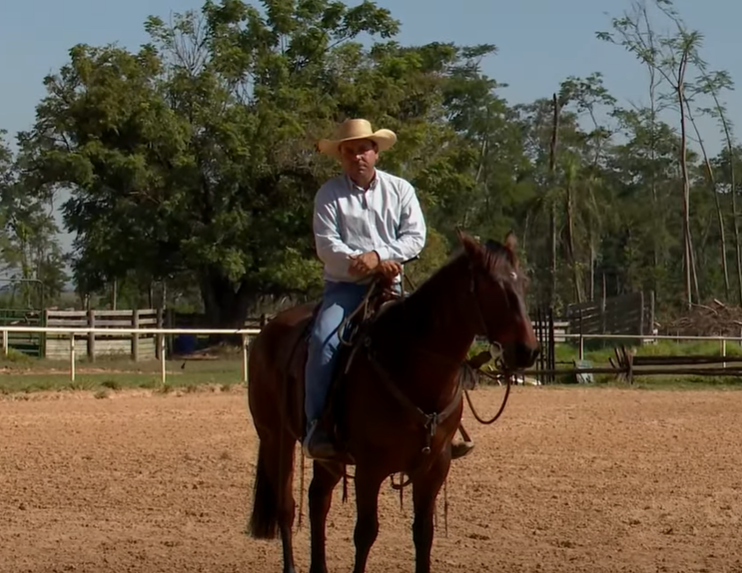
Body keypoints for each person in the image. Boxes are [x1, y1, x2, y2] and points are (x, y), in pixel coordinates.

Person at [303, 118, 474, 462]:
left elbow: (414, 236)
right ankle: (317, 426)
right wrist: (361, 261)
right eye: (349, 151)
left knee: (435, 344)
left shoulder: (400, 190)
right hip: (345, 288)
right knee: (323, 341)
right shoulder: (329, 194)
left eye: (363, 149)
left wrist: (379, 257)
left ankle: (446, 426)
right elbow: (326, 245)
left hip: (391, 289)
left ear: (376, 152)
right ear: (341, 156)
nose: (357, 156)